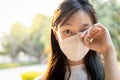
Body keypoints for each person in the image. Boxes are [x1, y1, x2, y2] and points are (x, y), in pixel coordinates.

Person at [35, 0, 120, 80]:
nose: (77, 38)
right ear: (56, 34)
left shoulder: (111, 74)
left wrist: (108, 50)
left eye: (84, 30)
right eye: (68, 31)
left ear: (94, 29)